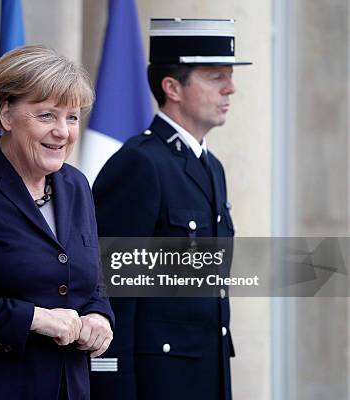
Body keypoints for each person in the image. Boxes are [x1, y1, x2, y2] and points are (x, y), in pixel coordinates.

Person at [89, 19, 251, 400]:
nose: (230, 88)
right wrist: (113, 389)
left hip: (204, 378)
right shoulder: (140, 164)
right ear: (172, 86)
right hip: (154, 384)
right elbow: (112, 290)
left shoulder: (211, 167)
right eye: (215, 77)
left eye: (228, 76)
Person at [0, 45, 114, 400]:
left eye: (72, 117)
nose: (63, 131)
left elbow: (92, 284)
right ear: (6, 114)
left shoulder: (76, 184)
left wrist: (100, 318)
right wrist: (34, 318)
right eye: (47, 116)